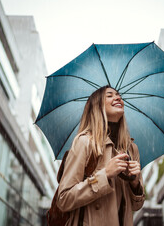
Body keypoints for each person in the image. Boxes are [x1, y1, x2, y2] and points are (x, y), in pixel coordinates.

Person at [57, 85, 145, 226]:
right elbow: (64, 199)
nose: (118, 98)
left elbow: (136, 206)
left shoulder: (131, 149)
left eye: (119, 96)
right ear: (97, 107)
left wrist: (135, 183)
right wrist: (105, 175)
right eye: (109, 95)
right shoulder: (84, 142)